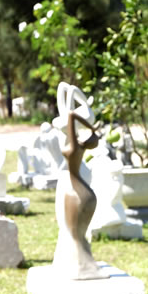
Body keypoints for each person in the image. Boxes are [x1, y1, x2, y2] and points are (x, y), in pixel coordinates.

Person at [52, 111, 108, 280]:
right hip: (80, 193)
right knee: (78, 236)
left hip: (78, 194)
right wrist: (92, 129)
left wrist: (91, 127)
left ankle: (86, 268)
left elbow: (71, 115)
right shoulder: (80, 148)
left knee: (78, 236)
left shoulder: (75, 148)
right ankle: (82, 266)